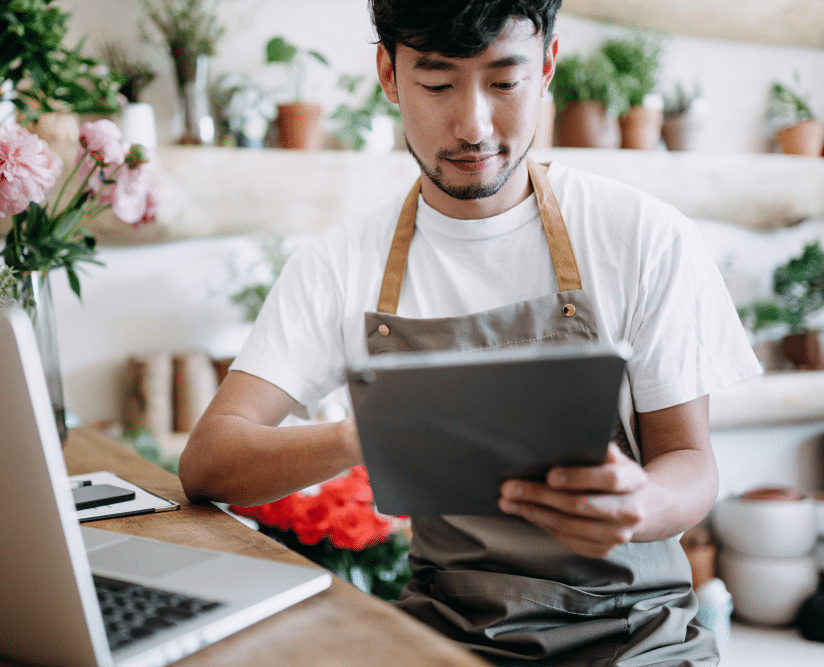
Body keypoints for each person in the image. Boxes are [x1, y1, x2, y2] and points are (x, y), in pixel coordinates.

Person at [179, 1, 761, 664]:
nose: (473, 124)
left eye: (505, 82)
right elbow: (207, 463)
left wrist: (641, 502)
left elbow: (691, 461)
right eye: (436, 84)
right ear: (389, 76)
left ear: (546, 66)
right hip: (450, 631)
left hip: (635, 633)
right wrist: (363, 433)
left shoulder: (643, 237)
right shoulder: (338, 263)